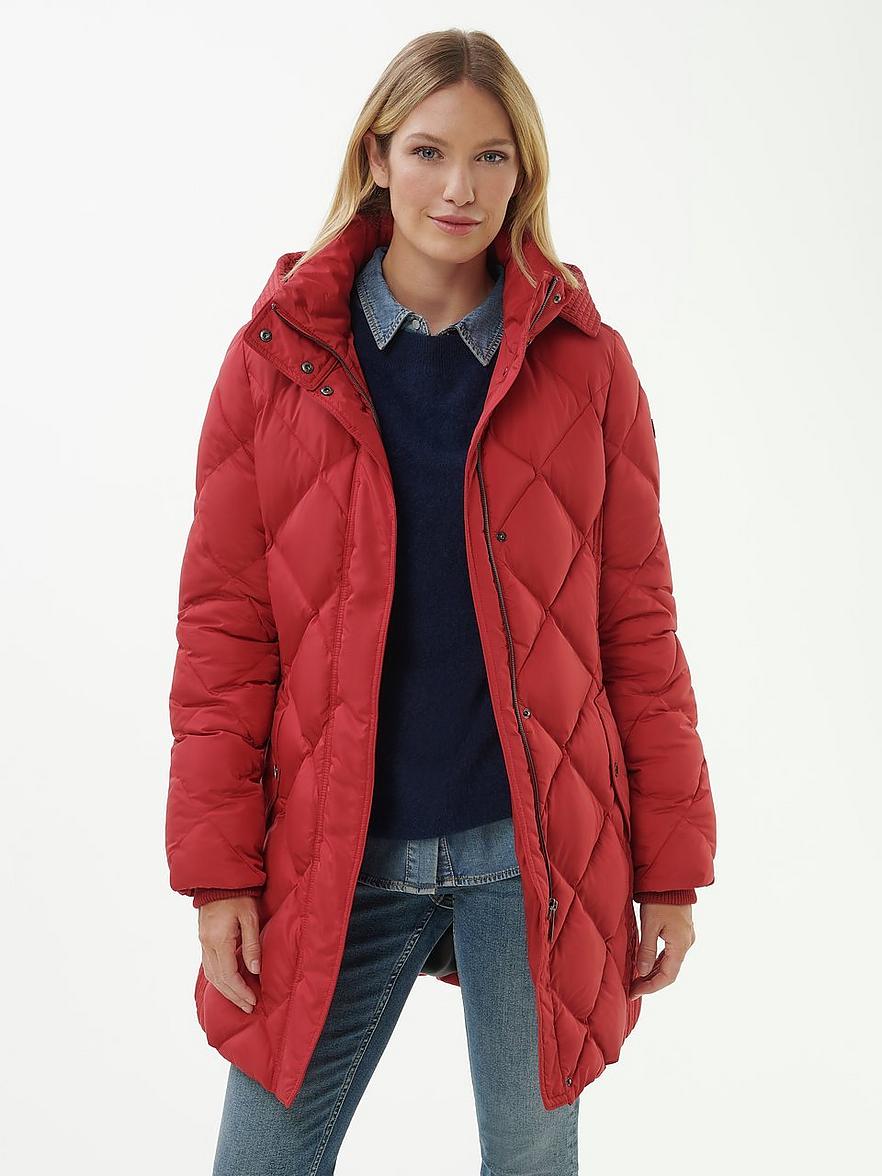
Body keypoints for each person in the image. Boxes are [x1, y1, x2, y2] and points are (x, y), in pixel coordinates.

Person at [165, 27, 717, 1175]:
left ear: (524, 174)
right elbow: (225, 634)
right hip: (334, 856)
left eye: (490, 157)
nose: (458, 188)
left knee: (532, 1162)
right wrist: (219, 873)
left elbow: (637, 625)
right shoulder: (276, 361)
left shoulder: (584, 366)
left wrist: (670, 870)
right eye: (427, 151)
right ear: (376, 157)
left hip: (533, 856)